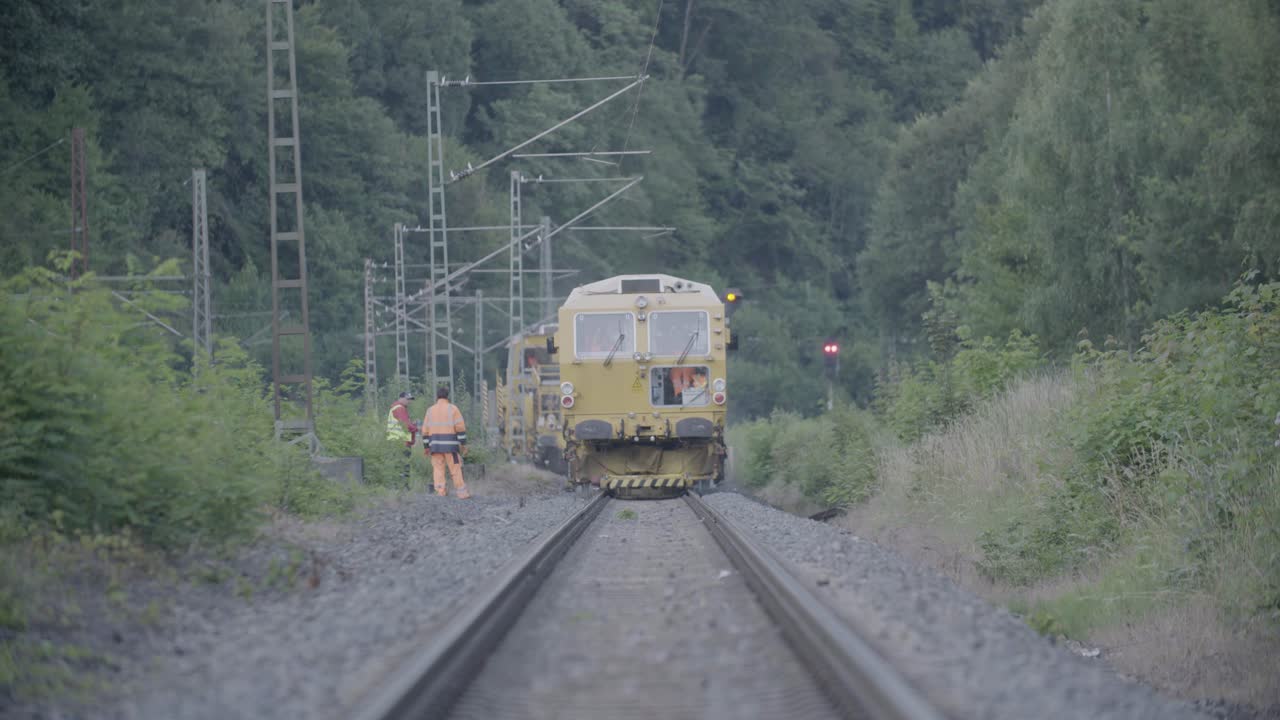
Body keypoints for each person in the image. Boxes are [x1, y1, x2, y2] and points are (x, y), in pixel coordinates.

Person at [422, 385, 471, 499]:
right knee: (455, 468)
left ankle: (440, 491)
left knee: (438, 469)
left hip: (435, 446)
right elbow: (460, 428)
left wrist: (426, 447)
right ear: (447, 396)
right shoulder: (453, 409)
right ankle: (462, 493)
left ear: (437, 396)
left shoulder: (430, 410)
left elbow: (425, 431)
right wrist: (463, 444)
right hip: (451, 447)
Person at [386, 391, 418, 485]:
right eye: (407, 399)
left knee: (399, 465)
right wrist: (415, 428)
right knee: (404, 465)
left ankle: (398, 485)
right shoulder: (400, 408)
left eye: (410, 400)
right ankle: (403, 486)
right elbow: (406, 425)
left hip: (396, 441)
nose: (409, 401)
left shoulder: (397, 407)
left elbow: (403, 424)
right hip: (401, 442)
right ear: (401, 398)